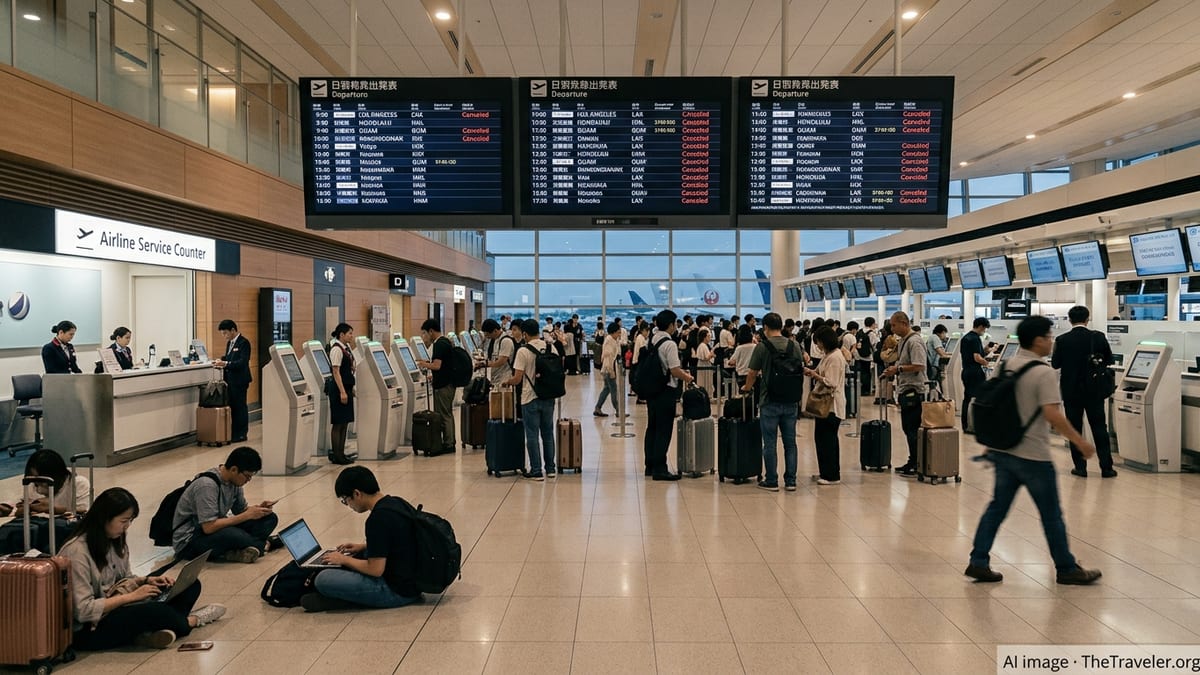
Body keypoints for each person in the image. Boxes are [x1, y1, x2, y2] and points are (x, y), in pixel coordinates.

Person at [965, 316, 1103, 586]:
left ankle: (978, 561)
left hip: (1005, 450)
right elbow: (1053, 414)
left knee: (996, 509)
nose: (1051, 342)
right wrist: (1080, 441)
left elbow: (993, 403)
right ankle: (1066, 567)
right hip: (1033, 456)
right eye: (1049, 337)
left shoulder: (1006, 365)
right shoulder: (1044, 372)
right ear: (1038, 340)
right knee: (1051, 515)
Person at [63, 488, 226, 650]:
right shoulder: (77, 552)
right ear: (104, 518)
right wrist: (131, 597)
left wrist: (146, 581)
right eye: (123, 521)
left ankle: (150, 630)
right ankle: (190, 621)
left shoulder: (114, 539)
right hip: (91, 628)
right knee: (153, 610)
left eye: (130, 521)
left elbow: (125, 579)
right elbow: (83, 611)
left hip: (118, 606)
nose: (127, 526)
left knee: (190, 585)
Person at [300, 466, 423, 612]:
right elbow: (399, 541)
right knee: (358, 557)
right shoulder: (396, 502)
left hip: (396, 591)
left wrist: (344, 559)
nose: (348, 505)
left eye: (345, 500)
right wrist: (363, 546)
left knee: (323, 579)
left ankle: (346, 600)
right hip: (414, 583)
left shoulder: (377, 519)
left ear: (357, 494)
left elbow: (375, 569)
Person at [172, 446, 279, 564]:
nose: (248, 480)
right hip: (190, 541)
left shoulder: (235, 482)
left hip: (216, 528)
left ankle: (244, 547)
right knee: (234, 535)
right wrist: (246, 515)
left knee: (270, 518)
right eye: (247, 476)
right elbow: (209, 527)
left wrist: (258, 510)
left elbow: (241, 511)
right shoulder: (207, 485)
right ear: (234, 469)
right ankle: (264, 544)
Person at [1052, 305, 1117, 478]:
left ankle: (1080, 467)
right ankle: (1107, 468)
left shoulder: (1062, 340)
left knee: (1074, 428)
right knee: (1099, 428)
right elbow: (1109, 360)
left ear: (1069, 320)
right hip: (1094, 390)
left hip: (1071, 391)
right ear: (1088, 319)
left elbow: (1055, 364)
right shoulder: (1098, 337)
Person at [742, 312, 801, 491]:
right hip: (791, 400)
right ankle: (791, 481)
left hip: (769, 400)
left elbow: (752, 372)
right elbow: (800, 367)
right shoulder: (794, 345)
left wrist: (747, 387)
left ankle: (771, 480)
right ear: (781, 326)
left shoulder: (762, 347)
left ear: (766, 327)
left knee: (769, 442)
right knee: (790, 443)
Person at [643, 310, 693, 481]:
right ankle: (660, 468)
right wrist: (688, 377)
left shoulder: (652, 340)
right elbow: (674, 370)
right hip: (665, 391)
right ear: (671, 325)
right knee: (664, 430)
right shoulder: (669, 344)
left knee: (652, 428)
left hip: (652, 390)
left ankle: (650, 466)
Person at [506, 319, 556, 480]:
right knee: (548, 434)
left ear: (525, 334)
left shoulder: (523, 351)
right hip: (548, 396)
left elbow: (517, 378)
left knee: (532, 435)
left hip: (530, 398)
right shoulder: (550, 347)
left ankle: (536, 470)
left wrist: (507, 381)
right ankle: (550, 469)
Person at [882, 312, 926, 476]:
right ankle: (913, 460)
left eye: (894, 325)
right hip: (905, 388)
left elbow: (919, 365)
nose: (892, 329)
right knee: (908, 428)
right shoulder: (903, 341)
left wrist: (898, 369)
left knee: (912, 429)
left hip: (914, 391)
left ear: (904, 323)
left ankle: (916, 463)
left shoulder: (914, 342)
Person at [805, 326, 846, 485]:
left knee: (828, 440)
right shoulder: (828, 355)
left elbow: (831, 382)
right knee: (822, 439)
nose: (817, 345)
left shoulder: (835, 357)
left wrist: (815, 375)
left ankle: (831, 475)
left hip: (831, 405)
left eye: (818, 342)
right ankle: (825, 471)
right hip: (825, 406)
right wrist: (812, 372)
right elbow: (820, 371)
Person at [0, 448, 92, 518]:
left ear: (54, 475)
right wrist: (9, 508)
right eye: (36, 482)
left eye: (41, 482)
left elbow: (84, 511)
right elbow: (22, 503)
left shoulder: (78, 484)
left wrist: (52, 509)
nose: (38, 489)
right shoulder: (33, 484)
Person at [415, 319, 457, 455]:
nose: (424, 336)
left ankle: (448, 444)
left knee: (444, 415)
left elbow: (437, 366)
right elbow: (445, 366)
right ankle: (450, 442)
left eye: (424, 333)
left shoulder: (439, 344)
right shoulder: (446, 341)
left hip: (443, 386)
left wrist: (423, 364)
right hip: (448, 383)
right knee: (447, 413)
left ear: (431, 331)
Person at [214, 319, 251, 442]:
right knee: (233, 407)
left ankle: (241, 434)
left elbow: (242, 362)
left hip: (240, 380)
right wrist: (221, 361)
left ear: (233, 330)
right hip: (230, 380)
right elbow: (229, 358)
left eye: (225, 333)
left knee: (240, 407)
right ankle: (234, 432)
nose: (224, 336)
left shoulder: (244, 343)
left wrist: (226, 363)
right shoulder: (229, 343)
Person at [327, 323, 356, 465]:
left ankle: (341, 453)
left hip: (347, 388)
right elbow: (336, 371)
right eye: (349, 333)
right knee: (338, 423)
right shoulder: (336, 350)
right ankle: (337, 455)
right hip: (339, 390)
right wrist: (343, 392)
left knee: (345, 423)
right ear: (341, 335)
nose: (351, 336)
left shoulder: (346, 348)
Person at [960, 317, 992, 431]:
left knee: (967, 398)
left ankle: (966, 424)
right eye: (985, 328)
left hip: (966, 371)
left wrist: (986, 350)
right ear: (981, 326)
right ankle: (974, 424)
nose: (984, 331)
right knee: (979, 397)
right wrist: (987, 363)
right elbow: (977, 357)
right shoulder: (975, 338)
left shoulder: (966, 337)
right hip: (975, 372)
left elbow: (974, 353)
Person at [595, 323, 622, 417]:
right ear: (613, 332)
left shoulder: (612, 340)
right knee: (614, 389)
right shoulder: (609, 341)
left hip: (608, 367)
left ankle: (598, 407)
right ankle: (618, 410)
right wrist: (611, 371)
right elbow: (608, 357)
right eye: (618, 332)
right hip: (609, 368)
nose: (619, 334)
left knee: (607, 389)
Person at [479, 319, 515, 387]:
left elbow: (501, 362)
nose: (487, 337)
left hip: (504, 378)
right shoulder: (496, 339)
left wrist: (486, 364)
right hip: (496, 377)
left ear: (495, 331)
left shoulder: (506, 341)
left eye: (488, 335)